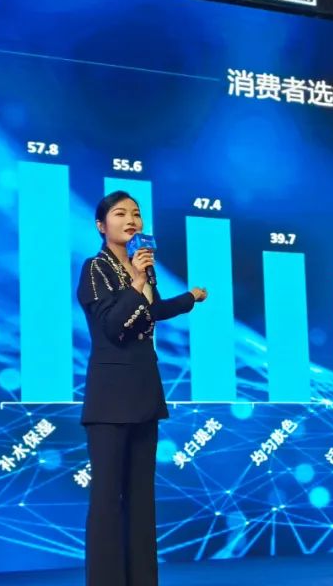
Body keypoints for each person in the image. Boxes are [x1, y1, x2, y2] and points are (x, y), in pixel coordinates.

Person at [77, 190, 208, 586]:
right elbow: (114, 327)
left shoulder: (144, 269)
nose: (131, 220)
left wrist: (189, 298)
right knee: (107, 498)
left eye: (136, 213)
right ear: (101, 226)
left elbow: (151, 311)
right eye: (120, 214)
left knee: (141, 497)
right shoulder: (95, 268)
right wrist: (136, 280)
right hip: (109, 395)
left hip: (144, 389)